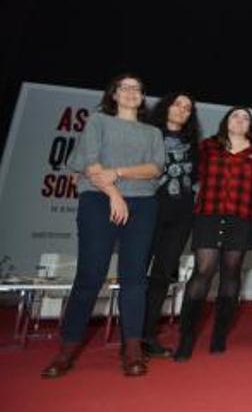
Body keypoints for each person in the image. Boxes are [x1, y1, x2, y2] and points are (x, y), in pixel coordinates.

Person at [42, 74, 164, 378]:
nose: (131, 92)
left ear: (142, 97)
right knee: (90, 275)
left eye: (137, 88)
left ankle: (132, 348)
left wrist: (119, 172)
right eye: (125, 87)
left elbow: (154, 168)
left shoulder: (152, 132)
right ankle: (67, 350)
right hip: (98, 201)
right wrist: (115, 195)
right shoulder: (98, 122)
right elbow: (91, 165)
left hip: (144, 205)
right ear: (113, 94)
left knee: (135, 278)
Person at [174, 107, 252, 361]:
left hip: (242, 217)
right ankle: (186, 337)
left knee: (231, 273)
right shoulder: (207, 147)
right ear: (226, 121)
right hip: (209, 213)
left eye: (246, 118)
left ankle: (219, 335)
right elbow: (188, 173)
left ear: (250, 124)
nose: (240, 120)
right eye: (235, 116)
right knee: (203, 271)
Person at [142, 92, 201, 358]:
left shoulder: (193, 144)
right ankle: (130, 336)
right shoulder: (147, 135)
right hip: (148, 209)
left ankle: (147, 336)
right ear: (166, 107)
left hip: (181, 216)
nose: (182, 110)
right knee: (137, 274)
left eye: (187, 108)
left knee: (162, 275)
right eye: (178, 104)